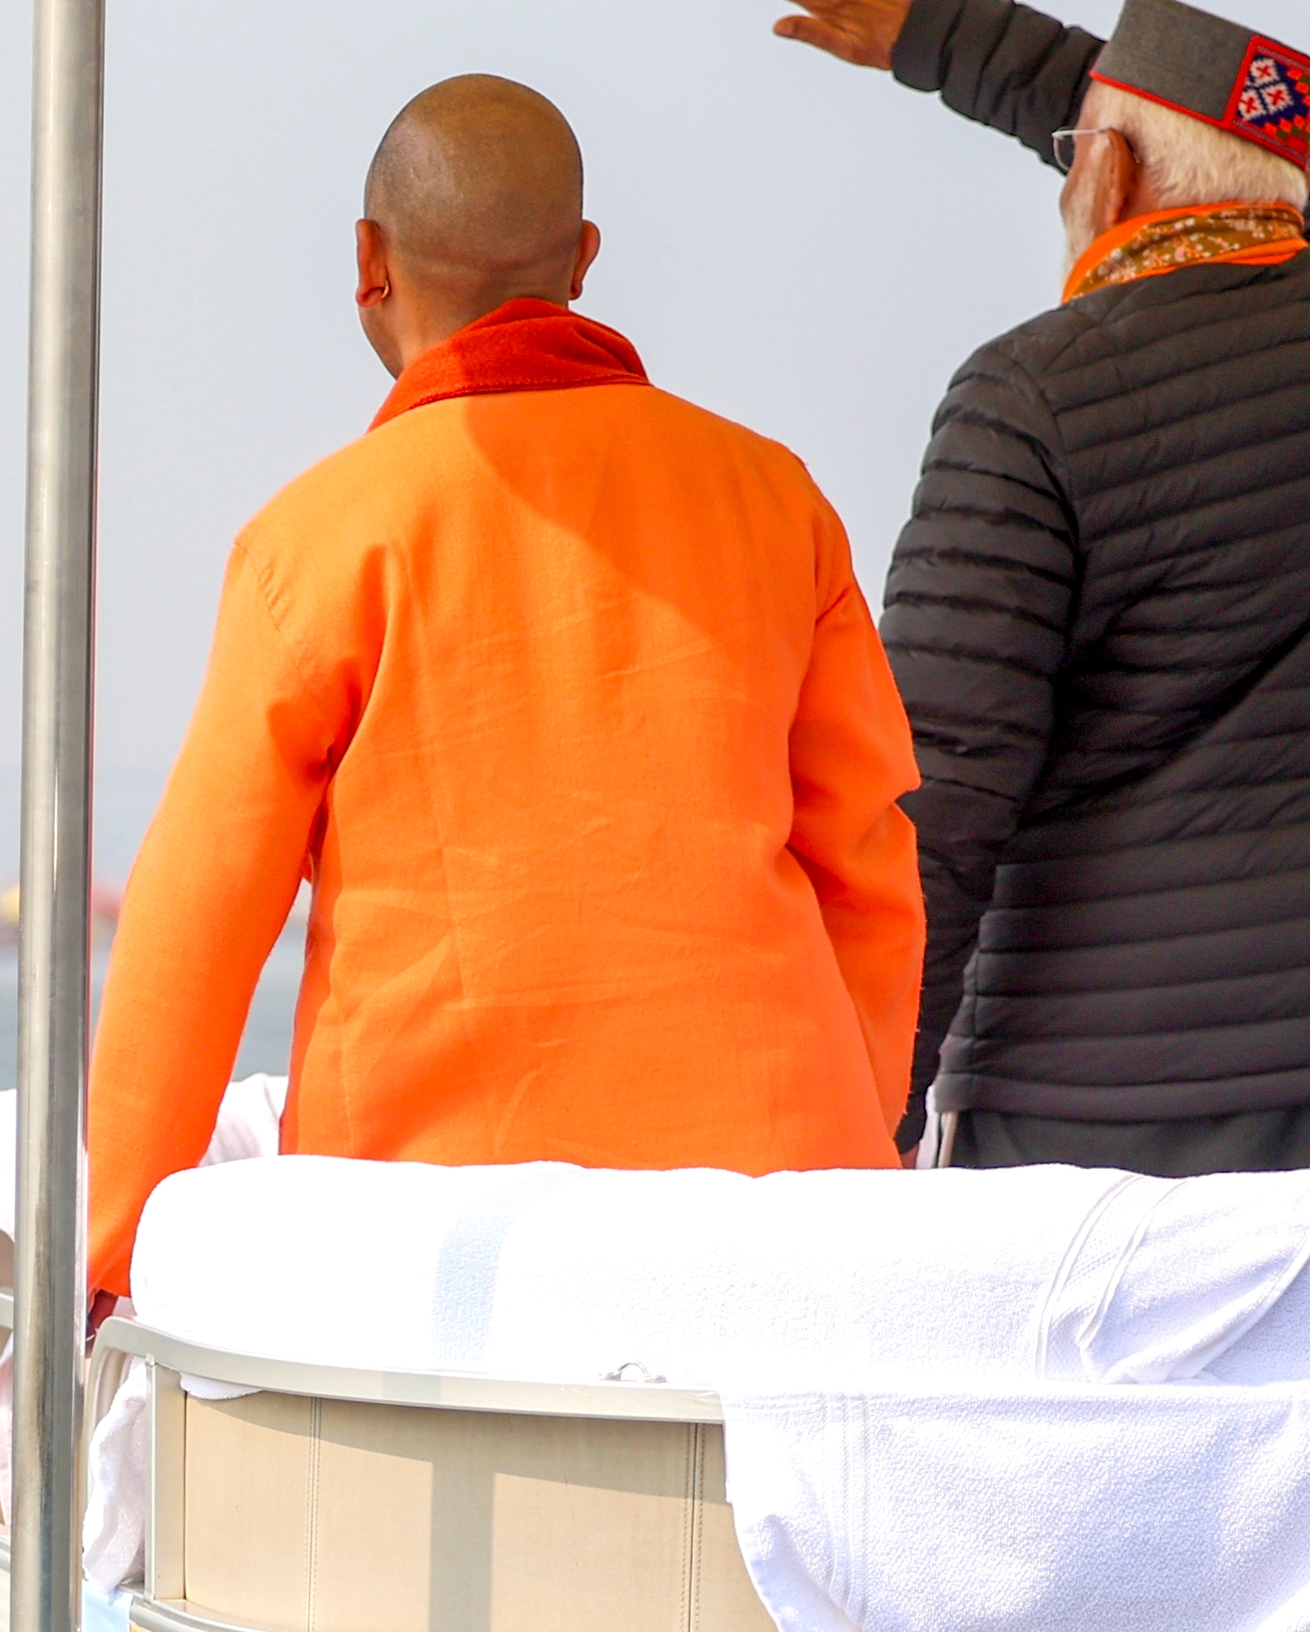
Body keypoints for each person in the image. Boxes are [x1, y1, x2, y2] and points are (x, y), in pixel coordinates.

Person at [82, 75, 924, 1309]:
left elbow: (198, 923)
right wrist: (858, 1136)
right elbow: (868, 862)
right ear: (581, 260)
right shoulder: (773, 497)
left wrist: (111, 1251)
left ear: (367, 261)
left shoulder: (317, 541)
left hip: (439, 1242)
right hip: (775, 1208)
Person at [716, 0, 1310, 1178]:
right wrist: (936, 34)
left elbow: (941, 799)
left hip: (1105, 1108)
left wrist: (874, 1107)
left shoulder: (1026, 398)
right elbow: (1283, 173)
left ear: (1109, 177)